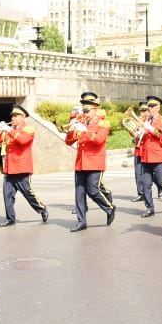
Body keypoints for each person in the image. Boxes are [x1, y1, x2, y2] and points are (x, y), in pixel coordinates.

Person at [0, 104, 49, 227]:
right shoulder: (10, 130)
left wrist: (9, 130)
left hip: (21, 167)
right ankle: (10, 218)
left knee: (27, 193)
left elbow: (22, 140)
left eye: (16, 116)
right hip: (9, 168)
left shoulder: (28, 129)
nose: (13, 118)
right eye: (12, 116)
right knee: (7, 195)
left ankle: (42, 208)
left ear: (23, 117)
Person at [65, 91, 115, 231]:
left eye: (87, 111)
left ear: (95, 110)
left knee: (93, 190)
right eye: (84, 111)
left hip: (95, 161)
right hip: (81, 162)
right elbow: (69, 142)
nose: (85, 114)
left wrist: (85, 130)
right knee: (79, 193)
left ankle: (109, 208)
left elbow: (99, 140)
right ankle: (81, 221)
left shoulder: (103, 123)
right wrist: (71, 129)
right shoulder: (82, 123)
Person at [138, 96, 162, 216]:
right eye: (149, 106)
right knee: (146, 184)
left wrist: (150, 128)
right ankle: (149, 208)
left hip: (158, 156)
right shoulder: (146, 120)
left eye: (152, 106)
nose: (150, 108)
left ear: (158, 107)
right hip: (146, 156)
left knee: (161, 182)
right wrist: (138, 133)